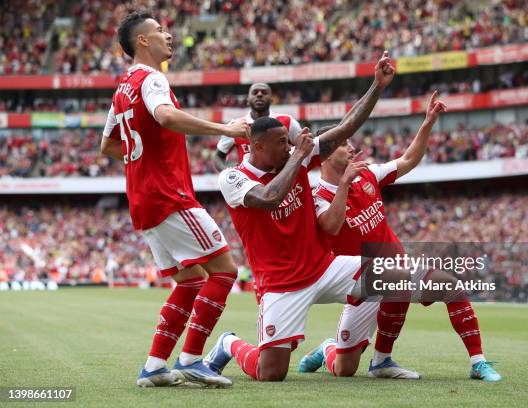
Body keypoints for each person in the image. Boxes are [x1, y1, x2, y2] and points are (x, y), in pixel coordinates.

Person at [203, 52, 397, 382]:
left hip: (323, 267)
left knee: (387, 274)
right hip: (281, 285)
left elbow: (346, 126)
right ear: (257, 146)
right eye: (281, 144)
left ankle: (342, 347)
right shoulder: (234, 179)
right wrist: (300, 159)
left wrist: (376, 86)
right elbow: (269, 197)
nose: (289, 147)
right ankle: (228, 343)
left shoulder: (293, 158)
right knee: (271, 373)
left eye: (289, 143)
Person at [299, 91, 502, 382]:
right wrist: (344, 184)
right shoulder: (317, 197)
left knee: (452, 287)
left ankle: (475, 362)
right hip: (361, 284)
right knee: (345, 369)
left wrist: (428, 122)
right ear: (327, 154)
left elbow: (408, 159)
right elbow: (330, 228)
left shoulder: (368, 174)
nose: (352, 146)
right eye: (344, 143)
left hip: (396, 269)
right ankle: (328, 348)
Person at [100, 10, 249, 388]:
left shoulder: (122, 88)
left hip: (143, 199)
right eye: (160, 30)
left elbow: (108, 145)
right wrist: (224, 128)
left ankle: (154, 366)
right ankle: (193, 360)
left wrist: (144, 163)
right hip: (169, 195)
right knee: (224, 271)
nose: (169, 35)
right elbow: (166, 117)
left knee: (190, 282)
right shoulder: (152, 79)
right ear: (143, 41)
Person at [213, 82, 302, 172]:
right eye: (255, 92)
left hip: (281, 181)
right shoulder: (235, 125)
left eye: (264, 92)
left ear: (271, 99)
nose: (259, 94)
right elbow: (218, 157)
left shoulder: (288, 121)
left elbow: (303, 148)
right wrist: (229, 174)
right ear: (248, 99)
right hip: (249, 183)